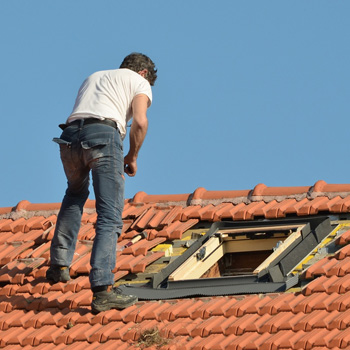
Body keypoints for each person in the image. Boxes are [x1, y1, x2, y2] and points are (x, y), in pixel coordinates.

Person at [47, 52, 157, 313]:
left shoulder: (94, 76)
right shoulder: (139, 82)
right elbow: (139, 122)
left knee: (74, 195)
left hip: (69, 137)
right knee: (109, 215)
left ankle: (59, 265)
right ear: (143, 74)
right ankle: (103, 289)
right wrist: (132, 156)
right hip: (103, 136)